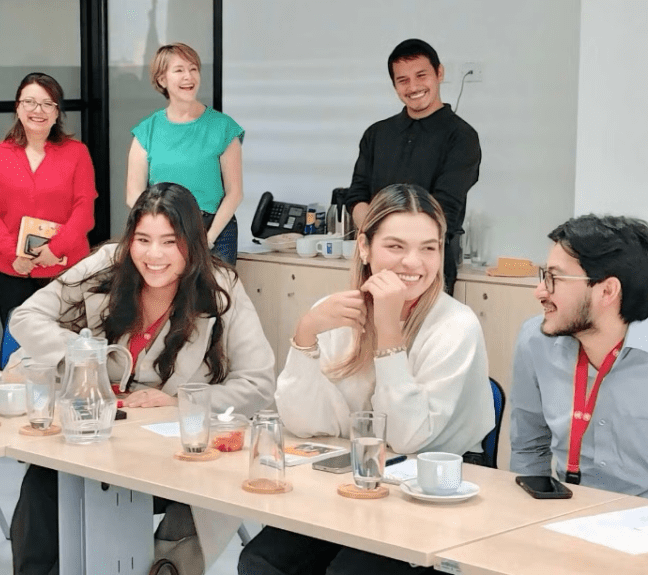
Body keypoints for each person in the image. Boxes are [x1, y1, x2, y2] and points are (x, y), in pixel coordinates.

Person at [10, 182, 275, 575]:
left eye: (170, 242)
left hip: (171, 452)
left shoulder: (221, 288)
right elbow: (26, 317)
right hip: (96, 435)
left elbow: (257, 383)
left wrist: (180, 403)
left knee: (159, 515)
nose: (154, 255)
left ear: (193, 244)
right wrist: (88, 359)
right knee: (41, 487)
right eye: (143, 240)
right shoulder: (105, 265)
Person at [238, 184, 493, 575]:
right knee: (262, 561)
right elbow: (307, 425)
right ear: (364, 247)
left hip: (429, 489)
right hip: (356, 480)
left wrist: (388, 334)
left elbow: (409, 439)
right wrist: (305, 335)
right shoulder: (336, 311)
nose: (414, 262)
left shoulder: (457, 326)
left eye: (429, 247)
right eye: (395, 247)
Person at [511, 214, 648, 497]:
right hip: (564, 509)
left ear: (607, 290)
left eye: (554, 279)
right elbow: (529, 448)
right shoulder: (536, 340)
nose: (540, 291)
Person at [344, 39, 481, 295]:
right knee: (373, 333)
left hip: (428, 266)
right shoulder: (376, 134)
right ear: (395, 85)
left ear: (439, 73)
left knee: (426, 334)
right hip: (377, 264)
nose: (413, 86)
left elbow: (444, 207)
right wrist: (377, 242)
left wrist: (394, 240)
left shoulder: (461, 136)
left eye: (421, 75)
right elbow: (357, 195)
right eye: (402, 80)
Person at [0, 72, 96, 329]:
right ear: (17, 107)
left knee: (66, 345)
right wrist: (12, 254)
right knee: (17, 346)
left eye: (47, 104)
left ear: (57, 113)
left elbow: (84, 209)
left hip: (65, 271)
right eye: (29, 102)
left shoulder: (77, 153)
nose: (37, 110)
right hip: (12, 271)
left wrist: (55, 249)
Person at [126, 43, 244, 265]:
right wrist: (159, 233)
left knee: (214, 297)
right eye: (179, 70)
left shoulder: (224, 128)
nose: (188, 77)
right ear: (162, 80)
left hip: (214, 231)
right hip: (163, 229)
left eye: (193, 69)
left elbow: (235, 193)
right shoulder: (146, 131)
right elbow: (134, 194)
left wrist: (207, 240)